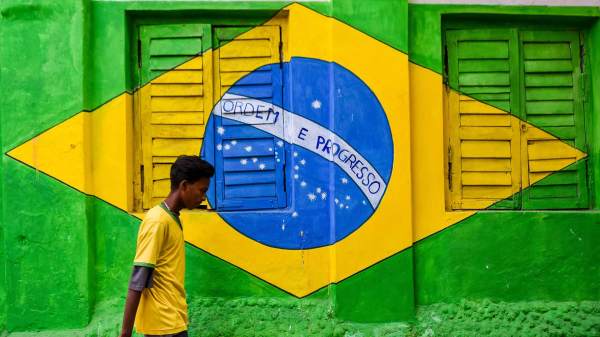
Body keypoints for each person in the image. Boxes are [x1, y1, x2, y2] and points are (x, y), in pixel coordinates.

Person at [119, 156, 215, 337]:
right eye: (202, 191)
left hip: (172, 320)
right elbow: (138, 277)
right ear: (185, 186)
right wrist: (125, 333)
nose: (203, 197)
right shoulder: (157, 221)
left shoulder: (171, 218)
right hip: (164, 324)